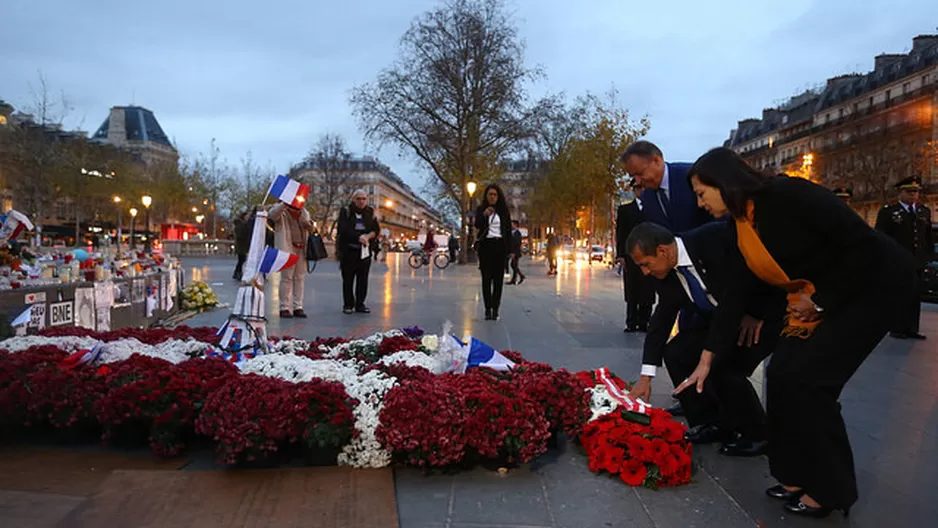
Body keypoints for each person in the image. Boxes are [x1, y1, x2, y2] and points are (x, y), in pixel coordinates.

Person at [686, 146, 916, 518]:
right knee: (780, 374)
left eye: (701, 193)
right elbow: (738, 293)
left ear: (724, 183)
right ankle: (793, 474)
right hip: (819, 295)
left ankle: (830, 489)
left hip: (873, 287)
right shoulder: (743, 224)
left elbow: (861, 244)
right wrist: (709, 355)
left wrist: (821, 302)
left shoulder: (789, 195)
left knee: (809, 381)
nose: (699, 204)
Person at [626, 221, 782, 452]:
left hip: (762, 316)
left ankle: (758, 434)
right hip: (723, 320)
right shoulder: (667, 276)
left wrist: (754, 313)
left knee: (724, 367)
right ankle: (711, 422)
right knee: (677, 352)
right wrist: (646, 377)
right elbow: (662, 319)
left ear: (663, 251)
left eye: (645, 264)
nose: (645, 272)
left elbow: (744, 283)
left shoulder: (713, 239)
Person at [875, 176, 933, 340]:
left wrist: (927, 256)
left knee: (915, 295)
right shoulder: (889, 212)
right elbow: (881, 237)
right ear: (901, 193)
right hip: (898, 261)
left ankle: (912, 328)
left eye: (915, 192)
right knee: (899, 294)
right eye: (910, 192)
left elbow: (927, 237)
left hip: (917, 261)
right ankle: (897, 327)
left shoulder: (923, 211)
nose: (914, 195)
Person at [620, 140, 712, 232]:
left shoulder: (692, 176)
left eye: (640, 173)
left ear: (657, 161)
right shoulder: (647, 198)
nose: (638, 181)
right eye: (633, 176)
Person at [615, 178, 654, 332]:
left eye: (644, 188)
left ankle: (644, 321)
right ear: (633, 190)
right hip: (631, 256)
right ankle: (631, 321)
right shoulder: (625, 210)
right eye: (638, 188)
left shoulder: (654, 209)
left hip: (650, 255)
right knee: (632, 288)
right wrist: (621, 255)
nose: (641, 191)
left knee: (648, 288)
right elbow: (621, 234)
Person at [337, 189, 380, 314]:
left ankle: (360, 304)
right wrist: (358, 237)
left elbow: (376, 229)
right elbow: (343, 229)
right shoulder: (346, 212)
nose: (361, 201)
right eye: (358, 199)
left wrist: (368, 236)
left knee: (363, 279)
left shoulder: (370, 212)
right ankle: (348, 304)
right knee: (348, 279)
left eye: (364, 199)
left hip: (364, 250)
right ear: (353, 199)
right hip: (349, 250)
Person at [269, 201, 313, 318]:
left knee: (300, 278)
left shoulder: (304, 212)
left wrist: (309, 226)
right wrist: (284, 204)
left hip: (302, 248)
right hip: (287, 247)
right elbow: (272, 216)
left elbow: (312, 229)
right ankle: (284, 307)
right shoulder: (281, 211)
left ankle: (298, 306)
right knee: (287, 278)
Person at [475, 184, 512, 320]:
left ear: (498, 196)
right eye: (490, 194)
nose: (492, 197)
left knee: (498, 280)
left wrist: (510, 250)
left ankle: (495, 309)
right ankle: (487, 309)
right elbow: (477, 225)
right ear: (486, 196)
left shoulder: (504, 211)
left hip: (500, 246)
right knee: (486, 280)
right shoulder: (481, 209)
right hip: (486, 246)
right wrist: (484, 215)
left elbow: (508, 231)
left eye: (495, 194)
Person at [232, 209, 252, 280]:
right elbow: (240, 235)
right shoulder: (240, 225)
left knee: (241, 260)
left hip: (242, 246)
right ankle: (237, 273)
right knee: (241, 260)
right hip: (241, 246)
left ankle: (237, 272)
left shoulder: (241, 224)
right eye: (247, 216)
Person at [507, 220, 526, 285]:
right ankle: (514, 279)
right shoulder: (512, 232)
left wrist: (513, 253)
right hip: (513, 252)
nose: (511, 225)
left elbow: (517, 243)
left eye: (512, 224)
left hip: (515, 252)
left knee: (513, 265)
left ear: (515, 225)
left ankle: (521, 276)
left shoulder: (518, 233)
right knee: (514, 265)